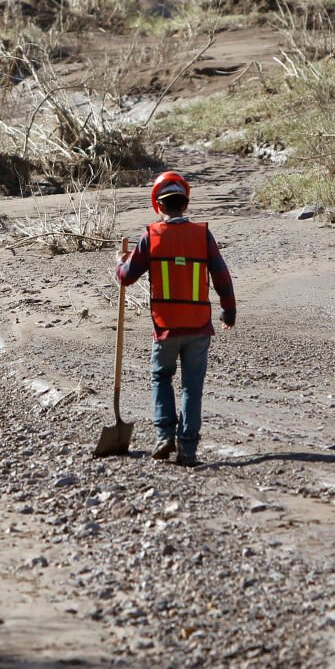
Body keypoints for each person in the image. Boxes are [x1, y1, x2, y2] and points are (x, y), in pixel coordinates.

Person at [115, 171, 236, 466]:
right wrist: (228, 310)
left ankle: (164, 436)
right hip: (198, 326)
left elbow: (126, 277)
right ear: (185, 203)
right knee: (192, 387)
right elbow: (221, 276)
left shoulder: (152, 236)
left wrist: (120, 263)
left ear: (158, 205)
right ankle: (188, 450)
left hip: (166, 326)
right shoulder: (202, 235)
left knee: (161, 377)